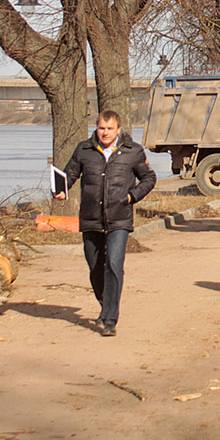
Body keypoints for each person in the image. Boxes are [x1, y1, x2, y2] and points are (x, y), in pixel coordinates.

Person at [55, 110, 156, 336]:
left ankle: (110, 319)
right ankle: (106, 303)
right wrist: (61, 190)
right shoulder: (84, 150)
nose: (105, 133)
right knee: (95, 268)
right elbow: (69, 174)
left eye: (110, 129)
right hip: (91, 218)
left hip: (119, 218)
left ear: (118, 129)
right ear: (97, 128)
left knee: (113, 264)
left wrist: (132, 196)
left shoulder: (133, 151)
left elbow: (149, 178)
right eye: (102, 128)